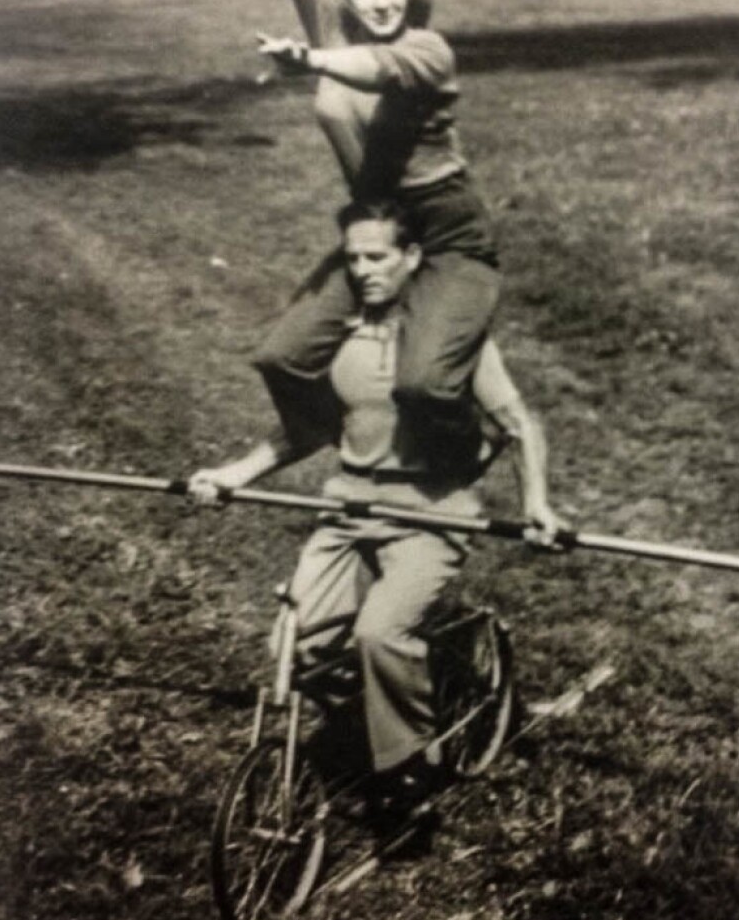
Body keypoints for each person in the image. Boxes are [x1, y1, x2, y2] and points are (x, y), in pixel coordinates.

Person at [189, 200, 560, 804]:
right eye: (353, 258)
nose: (364, 270)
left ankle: (413, 761)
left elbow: (517, 423)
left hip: (429, 516)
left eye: (378, 256)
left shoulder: (449, 343)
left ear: (412, 258)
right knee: (302, 643)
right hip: (350, 509)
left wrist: (537, 505)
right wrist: (234, 474)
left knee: (380, 634)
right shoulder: (338, 337)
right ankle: (378, 713)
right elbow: (305, 432)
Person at [254, 0, 500, 475]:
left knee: (423, 383)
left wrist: (311, 61)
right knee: (283, 357)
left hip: (449, 232)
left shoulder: (428, 50)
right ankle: (330, 436)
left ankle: (470, 451)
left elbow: (376, 69)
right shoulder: (334, 32)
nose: (381, 0)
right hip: (376, 232)